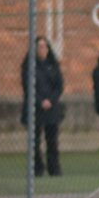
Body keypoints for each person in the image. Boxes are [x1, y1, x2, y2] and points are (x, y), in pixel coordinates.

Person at [20, 36, 65, 177]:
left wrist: (50, 100)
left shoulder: (53, 65)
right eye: (39, 46)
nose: (42, 50)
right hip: (35, 108)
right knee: (34, 141)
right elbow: (28, 87)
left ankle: (54, 169)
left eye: (44, 47)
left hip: (52, 108)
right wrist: (40, 101)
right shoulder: (28, 66)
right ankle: (37, 169)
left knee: (52, 141)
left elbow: (59, 85)